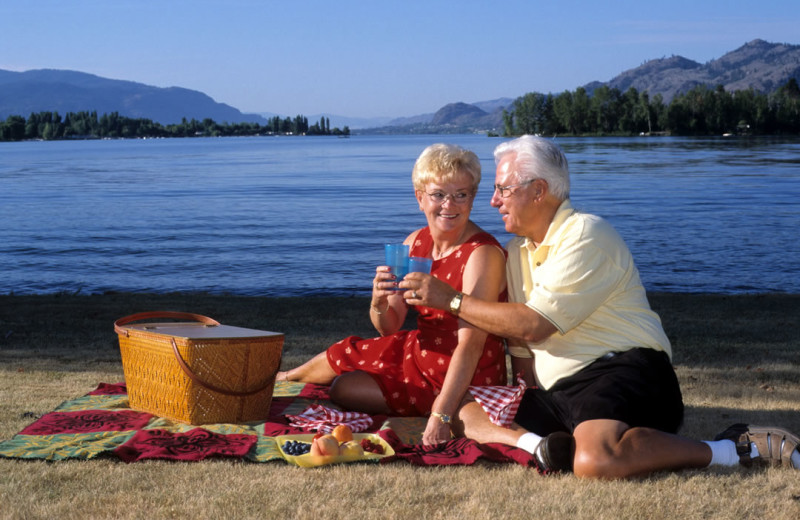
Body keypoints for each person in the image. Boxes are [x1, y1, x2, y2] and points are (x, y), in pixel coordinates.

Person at [401, 135, 800, 478]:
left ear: (538, 190)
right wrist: (524, 389)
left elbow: (533, 326)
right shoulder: (517, 251)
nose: (492, 201)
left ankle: (733, 447)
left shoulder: (587, 234)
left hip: (624, 371)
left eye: (503, 189)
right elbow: (520, 345)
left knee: (594, 462)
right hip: (561, 392)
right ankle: (544, 445)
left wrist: (450, 299)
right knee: (464, 409)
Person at [277, 143, 508, 446]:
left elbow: (471, 346)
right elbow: (389, 326)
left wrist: (441, 414)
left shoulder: (483, 254)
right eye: (438, 194)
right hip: (419, 352)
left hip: (466, 371)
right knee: (345, 357)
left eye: (460, 194)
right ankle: (284, 379)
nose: (449, 205)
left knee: (343, 390)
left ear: (472, 198)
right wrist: (379, 302)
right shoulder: (415, 243)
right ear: (420, 198)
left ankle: (438, 403)